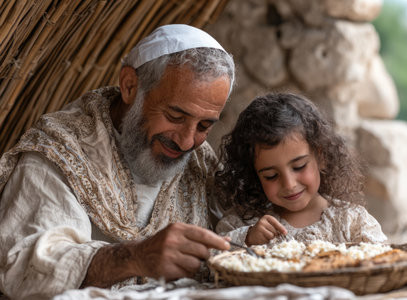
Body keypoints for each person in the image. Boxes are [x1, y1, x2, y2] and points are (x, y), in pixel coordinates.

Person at [0, 24, 235, 299]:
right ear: (130, 86)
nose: (186, 142)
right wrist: (134, 257)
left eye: (204, 125)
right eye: (175, 117)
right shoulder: (58, 150)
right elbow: (28, 267)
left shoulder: (200, 162)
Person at [215, 93, 387, 247]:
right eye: (271, 176)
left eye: (299, 167)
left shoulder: (352, 221)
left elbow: (383, 262)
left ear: (321, 157)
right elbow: (210, 263)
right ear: (253, 174)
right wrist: (247, 238)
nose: (289, 184)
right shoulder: (242, 223)